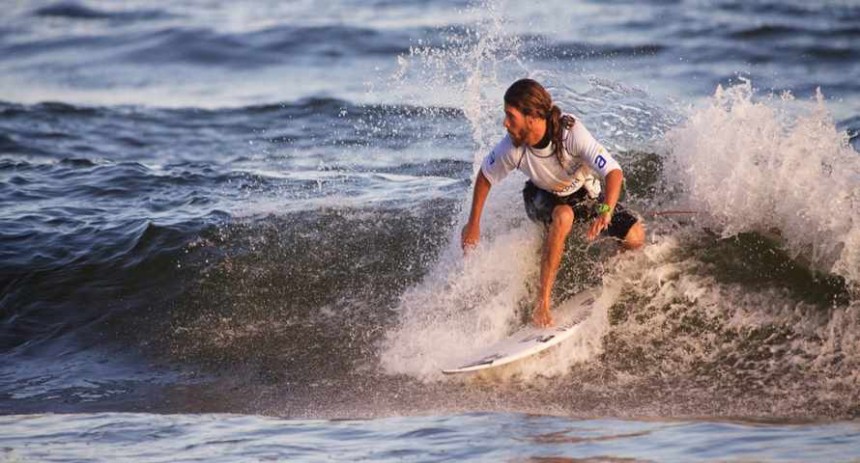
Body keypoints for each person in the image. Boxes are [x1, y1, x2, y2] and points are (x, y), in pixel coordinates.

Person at [460, 78, 645, 328]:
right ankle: (543, 305)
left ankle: (610, 273)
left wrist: (606, 210)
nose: (505, 123)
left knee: (635, 237)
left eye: (510, 116)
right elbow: (485, 177)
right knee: (564, 216)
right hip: (540, 196)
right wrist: (473, 224)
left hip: (584, 194)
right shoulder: (512, 148)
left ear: (532, 117)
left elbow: (613, 172)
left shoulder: (570, 133)